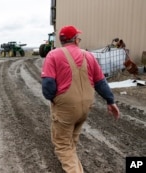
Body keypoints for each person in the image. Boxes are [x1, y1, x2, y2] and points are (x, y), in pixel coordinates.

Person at [41, 25, 120, 173]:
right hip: (85, 107)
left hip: (66, 107)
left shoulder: (53, 55)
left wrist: (54, 99)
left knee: (62, 144)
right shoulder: (89, 56)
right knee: (73, 136)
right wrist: (110, 101)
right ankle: (71, 158)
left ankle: (72, 166)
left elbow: (48, 87)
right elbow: (101, 83)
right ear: (76, 40)